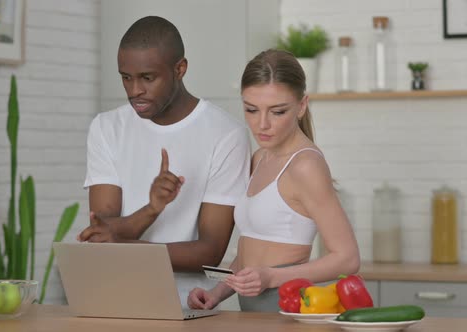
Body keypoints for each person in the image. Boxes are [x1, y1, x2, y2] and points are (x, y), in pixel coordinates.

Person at [78, 16, 251, 306]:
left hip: (188, 307)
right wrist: (152, 209)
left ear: (179, 69)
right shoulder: (106, 127)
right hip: (110, 300)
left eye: (148, 78)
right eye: (126, 77)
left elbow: (210, 251)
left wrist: (123, 246)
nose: (135, 91)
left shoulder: (226, 134)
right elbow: (102, 233)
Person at [187, 49, 360, 312]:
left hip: (287, 309)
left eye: (277, 112)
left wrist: (271, 278)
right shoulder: (259, 158)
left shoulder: (305, 166)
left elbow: (347, 259)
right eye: (251, 110)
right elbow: (251, 253)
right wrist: (216, 294)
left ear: (301, 106)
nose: (262, 124)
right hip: (254, 313)